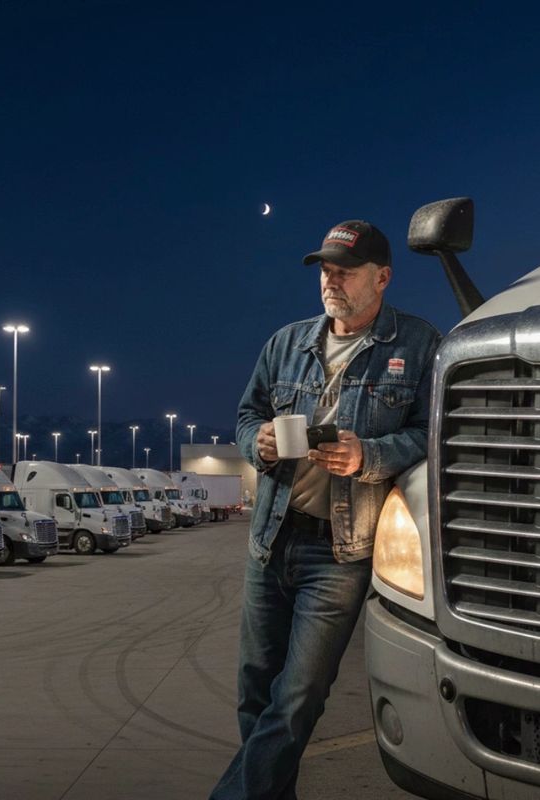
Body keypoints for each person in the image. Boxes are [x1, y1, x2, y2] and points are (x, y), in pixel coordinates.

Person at [208, 219, 441, 800]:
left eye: (346, 271)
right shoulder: (286, 343)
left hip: (339, 552)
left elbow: (430, 435)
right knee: (256, 692)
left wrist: (369, 455)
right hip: (271, 539)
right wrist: (258, 443)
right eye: (326, 271)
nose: (331, 281)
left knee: (299, 695)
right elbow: (246, 416)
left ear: (382, 278)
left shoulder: (418, 345)